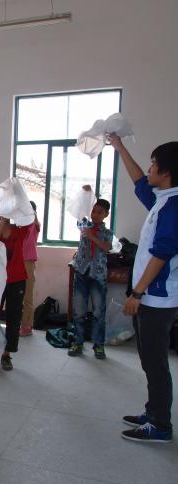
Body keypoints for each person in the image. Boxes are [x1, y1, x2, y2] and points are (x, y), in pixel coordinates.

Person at [109, 133, 178, 444]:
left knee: (154, 361)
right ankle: (153, 412)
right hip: (150, 295)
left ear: (166, 172)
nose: (148, 169)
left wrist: (137, 293)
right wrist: (120, 147)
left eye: (153, 164)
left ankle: (160, 424)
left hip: (157, 298)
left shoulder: (173, 207)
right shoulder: (163, 198)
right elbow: (139, 183)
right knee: (150, 358)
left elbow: (162, 253)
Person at [0, 209, 31, 371]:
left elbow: (30, 218)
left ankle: (7, 354)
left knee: (14, 317)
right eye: (3, 211)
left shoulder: (20, 230)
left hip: (17, 280)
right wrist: (2, 223)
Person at [68, 197, 113, 358]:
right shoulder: (85, 224)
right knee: (79, 311)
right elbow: (78, 213)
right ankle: (77, 342)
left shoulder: (107, 232)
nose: (95, 214)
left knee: (98, 312)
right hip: (81, 272)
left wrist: (93, 237)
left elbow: (107, 247)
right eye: (94, 210)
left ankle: (98, 345)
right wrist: (85, 194)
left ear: (106, 214)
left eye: (100, 212)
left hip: (97, 275)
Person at [20, 201, 41, 336]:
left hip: (27, 262)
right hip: (17, 261)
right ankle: (20, 323)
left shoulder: (34, 224)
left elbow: (35, 222)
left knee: (27, 295)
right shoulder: (19, 224)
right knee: (17, 295)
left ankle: (27, 325)